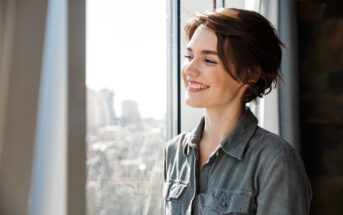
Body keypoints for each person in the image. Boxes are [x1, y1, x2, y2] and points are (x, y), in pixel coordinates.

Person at [163, 8, 312, 215]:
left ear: (250, 74)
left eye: (209, 60)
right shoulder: (175, 151)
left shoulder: (275, 159)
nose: (189, 69)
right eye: (189, 56)